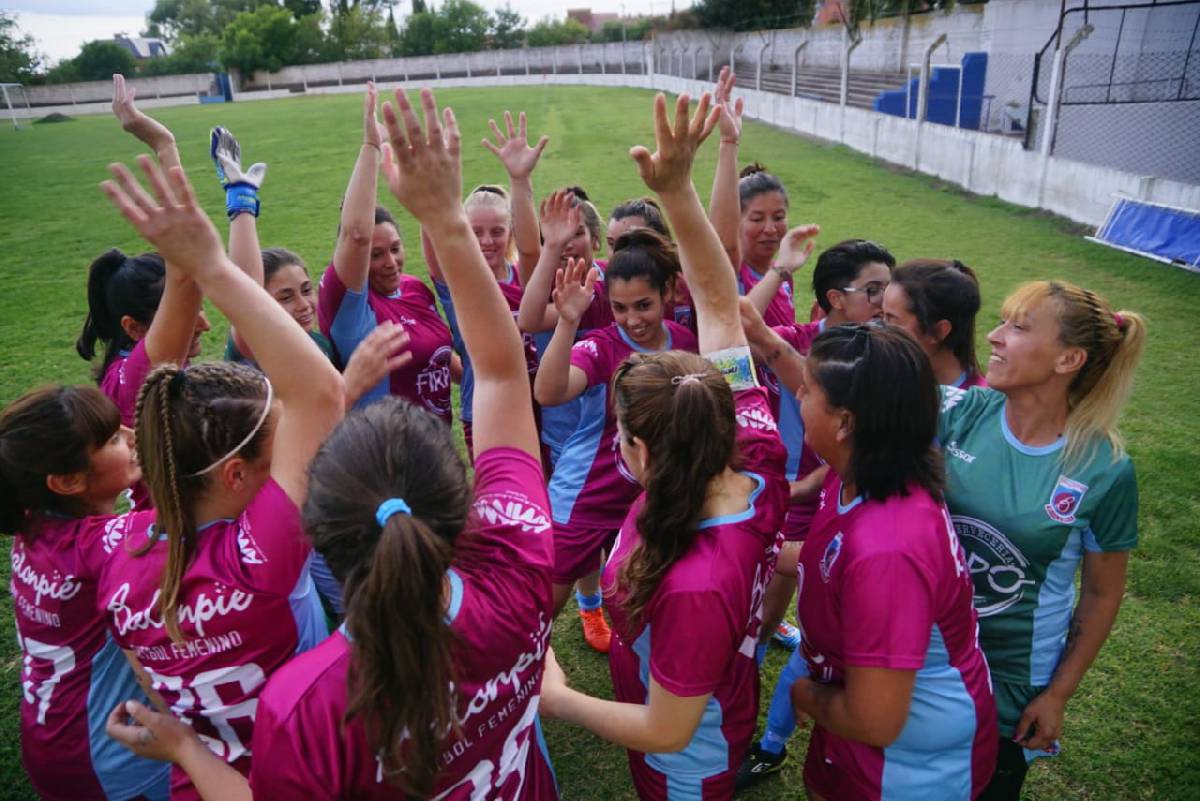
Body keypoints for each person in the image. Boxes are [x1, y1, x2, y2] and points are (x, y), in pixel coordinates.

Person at [107, 86, 559, 801]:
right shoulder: (519, 563)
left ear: (315, 533)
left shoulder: (307, 702)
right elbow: (502, 375)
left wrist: (189, 753)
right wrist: (445, 214)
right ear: (460, 497)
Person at [539, 90, 790, 800]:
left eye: (619, 435)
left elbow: (666, 728)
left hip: (688, 763)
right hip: (708, 699)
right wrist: (677, 191)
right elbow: (717, 303)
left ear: (643, 455)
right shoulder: (756, 449)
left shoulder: (695, 581)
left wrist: (556, 695)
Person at [93, 150, 345, 797]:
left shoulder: (116, 553)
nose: (287, 450)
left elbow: (147, 676)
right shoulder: (259, 559)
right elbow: (318, 393)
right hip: (307, 771)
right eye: (273, 444)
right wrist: (207, 263)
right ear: (236, 475)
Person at [938, 281, 1144, 801]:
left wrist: (1057, 694)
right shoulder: (962, 413)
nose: (994, 336)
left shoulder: (1104, 468)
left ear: (1068, 359)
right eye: (1002, 322)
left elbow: (1102, 594)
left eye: (1018, 327)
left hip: (1009, 683)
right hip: (928, 654)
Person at [783, 323, 998, 800]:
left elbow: (875, 721)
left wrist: (805, 694)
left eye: (807, 389)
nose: (797, 394)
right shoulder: (864, 472)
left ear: (845, 422)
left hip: (909, 763)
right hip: (854, 708)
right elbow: (827, 563)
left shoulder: (889, 551)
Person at [737, 239, 899, 787]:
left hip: (827, 508)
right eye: (873, 290)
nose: (884, 301)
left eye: (888, 289)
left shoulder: (886, 362)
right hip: (784, 503)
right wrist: (779, 268)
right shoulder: (800, 341)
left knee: (815, 634)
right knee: (759, 620)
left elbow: (871, 437)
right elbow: (741, 325)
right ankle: (744, 709)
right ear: (835, 298)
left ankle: (771, 740)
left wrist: (822, 476)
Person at [533, 226, 698, 653]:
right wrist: (568, 321)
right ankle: (517, 676)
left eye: (643, 305)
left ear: (668, 293)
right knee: (542, 607)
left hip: (650, 500)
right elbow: (548, 392)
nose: (632, 320)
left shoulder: (685, 344)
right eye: (620, 308)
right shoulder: (601, 346)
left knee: (644, 594)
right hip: (585, 497)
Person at [2, 384, 170, 801]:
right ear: (67, 481)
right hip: (109, 755)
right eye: (114, 438)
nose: (132, 435)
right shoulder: (106, 545)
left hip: (52, 734)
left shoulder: (33, 521)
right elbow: (204, 513)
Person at [76, 76, 210, 508]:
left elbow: (182, 276)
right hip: (180, 536)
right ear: (134, 327)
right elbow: (185, 274)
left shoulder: (123, 367)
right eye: (188, 314)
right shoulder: (141, 374)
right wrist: (164, 144)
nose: (204, 322)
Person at [318, 82, 456, 417]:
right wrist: (371, 147)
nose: (390, 262)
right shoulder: (348, 310)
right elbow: (355, 235)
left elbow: (437, 357)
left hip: (436, 454)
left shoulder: (414, 288)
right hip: (384, 458)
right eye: (376, 255)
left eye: (395, 248)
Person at [426, 109, 547, 458]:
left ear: (509, 232)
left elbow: (530, 250)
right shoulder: (462, 284)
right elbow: (436, 252)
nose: (487, 241)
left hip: (536, 402)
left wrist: (519, 181)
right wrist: (437, 199)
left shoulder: (520, 277)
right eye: (475, 232)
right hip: (482, 410)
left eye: (496, 231)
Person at [883, 259, 986, 388]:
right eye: (882, 316)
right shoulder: (885, 380)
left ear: (938, 331)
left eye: (892, 320)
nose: (879, 330)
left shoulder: (980, 405)